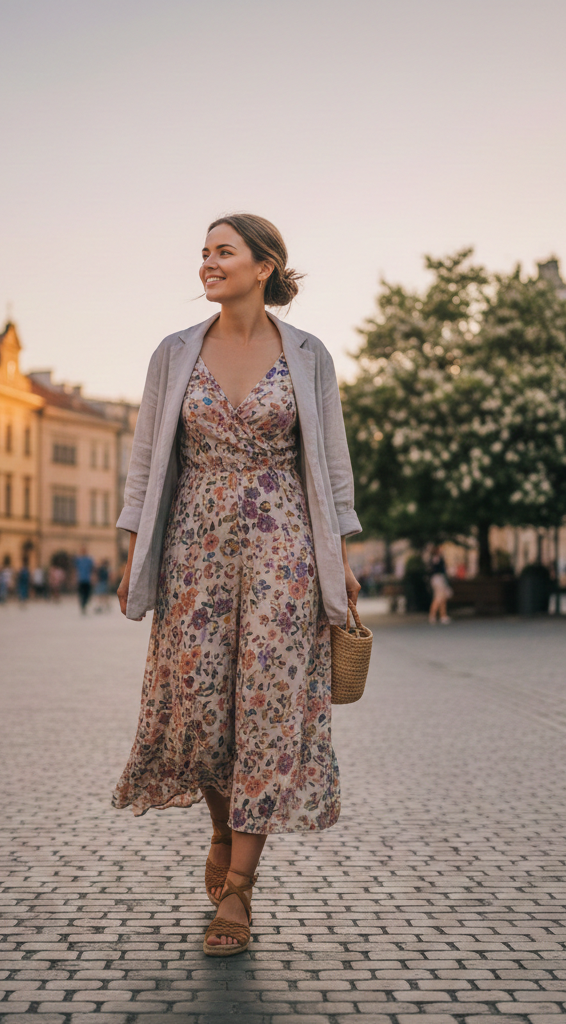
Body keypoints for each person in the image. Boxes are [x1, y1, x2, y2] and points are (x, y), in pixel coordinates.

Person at [111, 214, 362, 956]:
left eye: (224, 252)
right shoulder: (174, 352)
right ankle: (222, 823)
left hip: (285, 544)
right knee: (200, 708)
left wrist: (341, 552)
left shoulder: (310, 356)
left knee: (267, 707)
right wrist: (131, 543)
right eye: (204, 253)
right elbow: (149, 452)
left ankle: (241, 893)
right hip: (195, 544)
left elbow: (334, 464)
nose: (208, 264)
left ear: (264, 266)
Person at [428, 544, 453, 624]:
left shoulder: (436, 558)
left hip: (439, 579)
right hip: (438, 579)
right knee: (438, 597)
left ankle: (443, 616)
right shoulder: (436, 558)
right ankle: (432, 615)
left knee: (443, 598)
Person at [74, 545, 94, 614]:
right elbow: (75, 569)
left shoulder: (89, 559)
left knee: (87, 594)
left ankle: (84, 603)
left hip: (87, 579)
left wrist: (93, 577)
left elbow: (92, 569)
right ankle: (82, 605)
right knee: (81, 594)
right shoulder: (78, 560)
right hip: (80, 579)